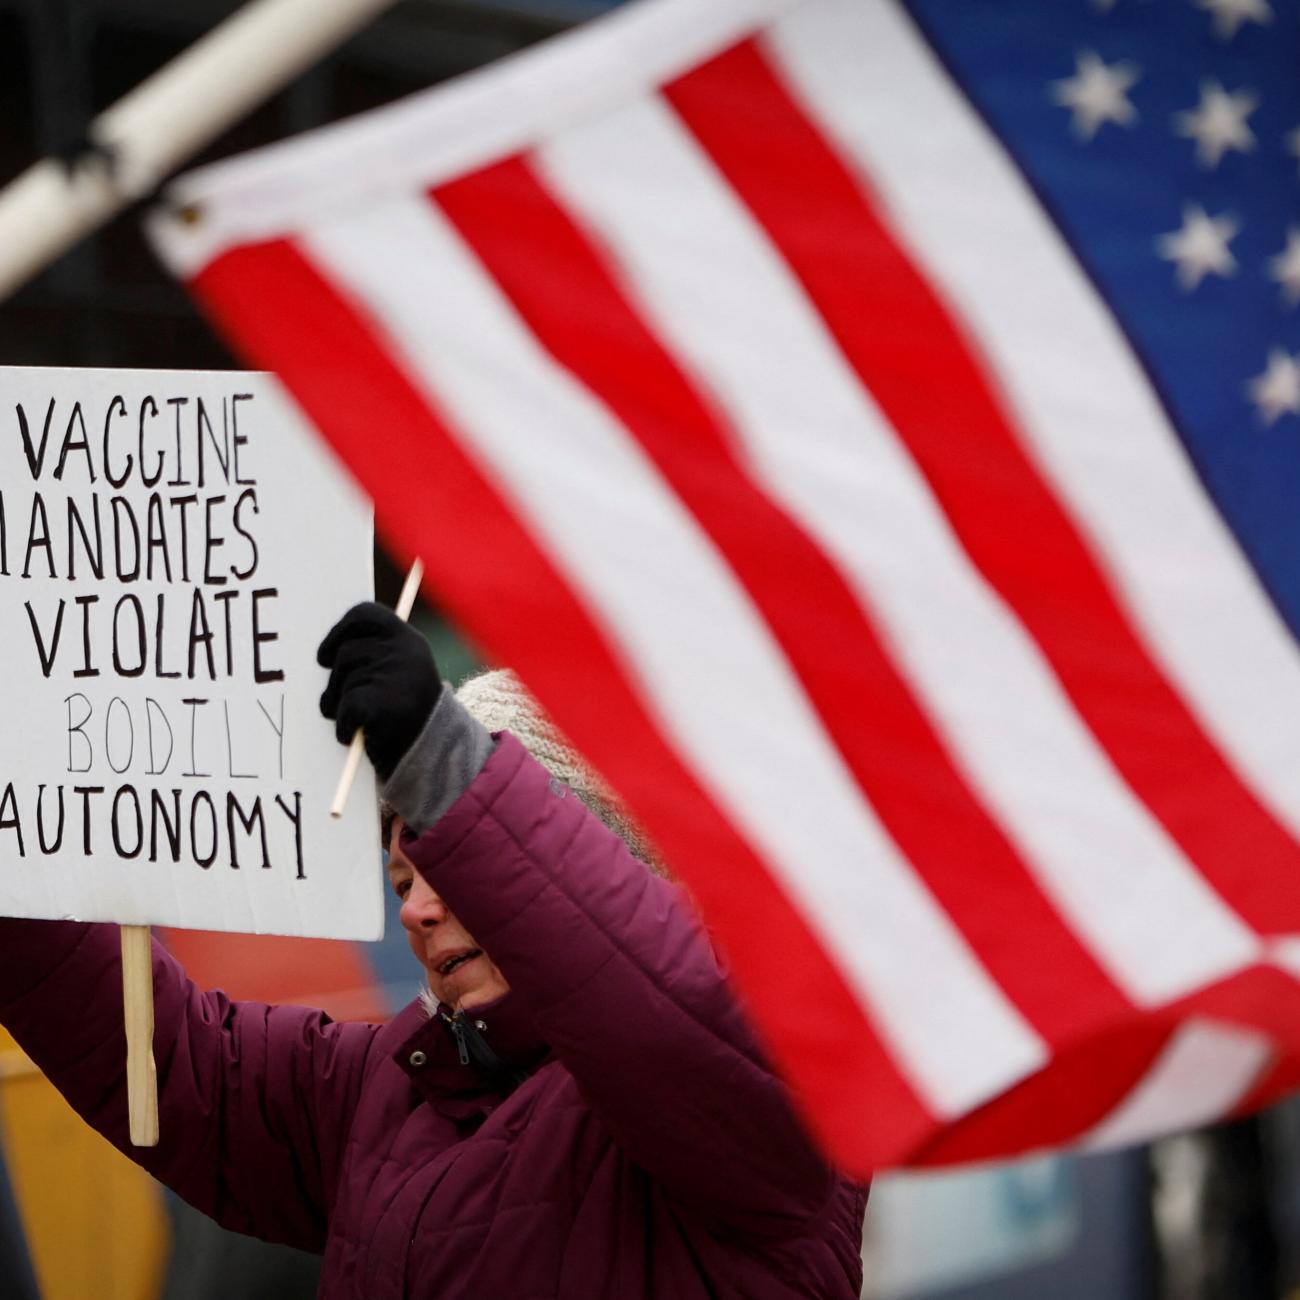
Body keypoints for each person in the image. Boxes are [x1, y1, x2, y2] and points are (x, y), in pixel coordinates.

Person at [0, 603, 867, 1298]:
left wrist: (443, 762)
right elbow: (175, 1059)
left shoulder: (764, 1079)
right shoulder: (383, 1091)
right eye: (400, 878)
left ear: (603, 853)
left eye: (457, 862)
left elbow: (665, 1013)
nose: (414, 910)